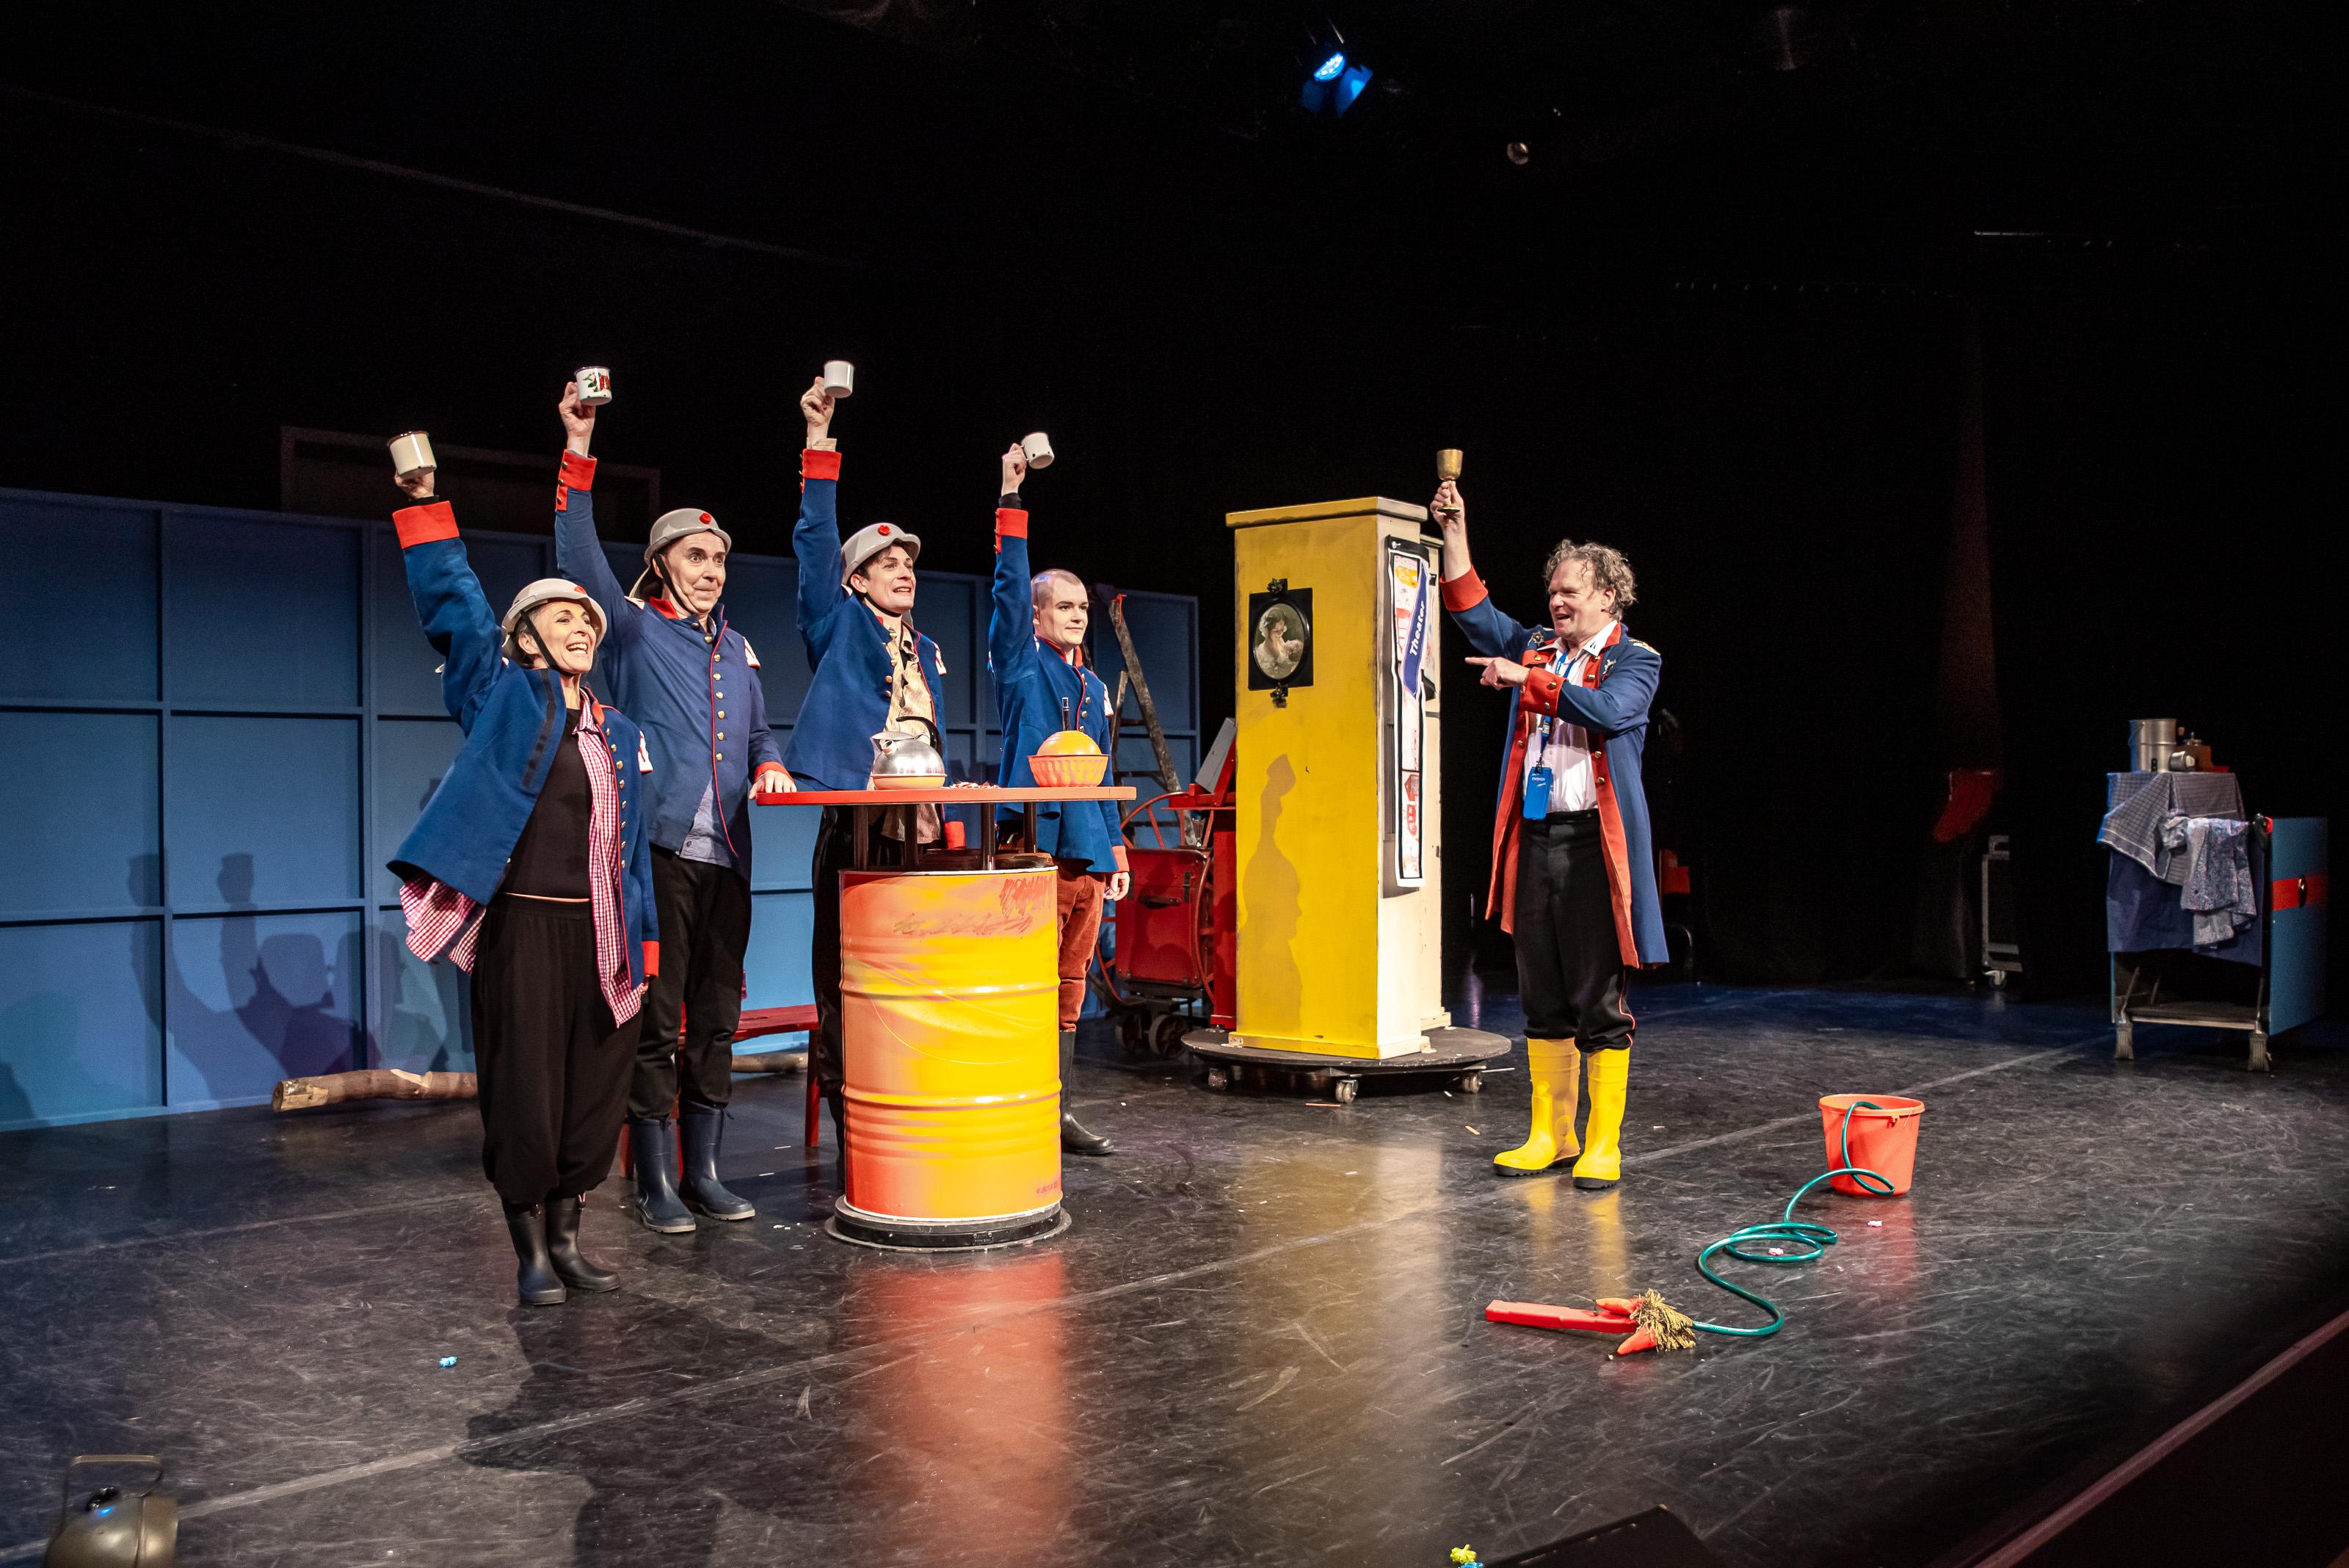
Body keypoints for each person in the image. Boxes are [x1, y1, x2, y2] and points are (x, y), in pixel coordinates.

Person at [387, 457, 659, 1305]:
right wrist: (427, 507)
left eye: (587, 615)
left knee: (594, 1091)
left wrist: (647, 945)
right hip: (524, 930)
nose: (582, 624)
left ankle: (571, 1238)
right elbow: (458, 612)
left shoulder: (620, 732)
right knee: (526, 1092)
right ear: (524, 637)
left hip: (603, 932)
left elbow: (636, 851)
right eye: (561, 614)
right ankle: (529, 1249)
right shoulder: (500, 695)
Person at [551, 383, 791, 1233]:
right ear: (661, 565)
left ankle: (708, 1172)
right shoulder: (633, 629)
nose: (711, 573)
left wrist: (771, 768)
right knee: (657, 1020)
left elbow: (762, 735)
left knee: (716, 1018)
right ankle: (654, 1182)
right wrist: (579, 452)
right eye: (696, 558)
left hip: (728, 855)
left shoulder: (739, 648)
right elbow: (579, 562)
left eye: (719, 561)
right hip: (656, 854)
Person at [1433, 476, 1669, 1189]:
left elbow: (1605, 711)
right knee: (1540, 990)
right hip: (1535, 839)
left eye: (1570, 591)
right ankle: (1550, 1133)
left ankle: (1603, 1143)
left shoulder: (1636, 659)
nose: (1555, 602)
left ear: (1608, 595)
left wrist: (1525, 681)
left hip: (1596, 847)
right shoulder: (1536, 644)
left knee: (1597, 993)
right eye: (1553, 592)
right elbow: (1474, 614)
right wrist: (1453, 533)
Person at [780, 377, 951, 1156]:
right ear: (856, 582)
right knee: (845, 971)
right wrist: (820, 445)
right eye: (885, 564)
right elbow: (817, 545)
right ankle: (853, 1111)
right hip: (855, 826)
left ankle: (910, 1091)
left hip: (920, 823)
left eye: (907, 563)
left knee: (913, 964)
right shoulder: (837, 624)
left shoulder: (927, 648)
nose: (901, 571)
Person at [987, 441, 1129, 1155]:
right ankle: (1018, 1109)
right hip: (1036, 849)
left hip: (1086, 855)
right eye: (1062, 607)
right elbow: (1007, 594)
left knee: (1072, 985)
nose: (1076, 616)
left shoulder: (1093, 685)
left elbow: (1101, 770)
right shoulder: (1020, 666)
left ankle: (1059, 1114)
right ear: (1037, 615)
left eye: (1081, 607)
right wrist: (1012, 503)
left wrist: (1114, 847)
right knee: (1029, 984)